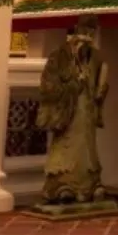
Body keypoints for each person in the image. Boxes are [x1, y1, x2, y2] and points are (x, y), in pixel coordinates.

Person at [37, 16, 109, 204]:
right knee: (66, 149)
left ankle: (90, 186)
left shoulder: (96, 57)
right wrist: (73, 85)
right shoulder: (59, 56)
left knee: (88, 148)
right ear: (77, 29)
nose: (88, 34)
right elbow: (48, 86)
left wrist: (100, 88)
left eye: (92, 31)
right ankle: (62, 186)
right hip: (68, 112)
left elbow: (100, 84)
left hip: (87, 112)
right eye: (85, 29)